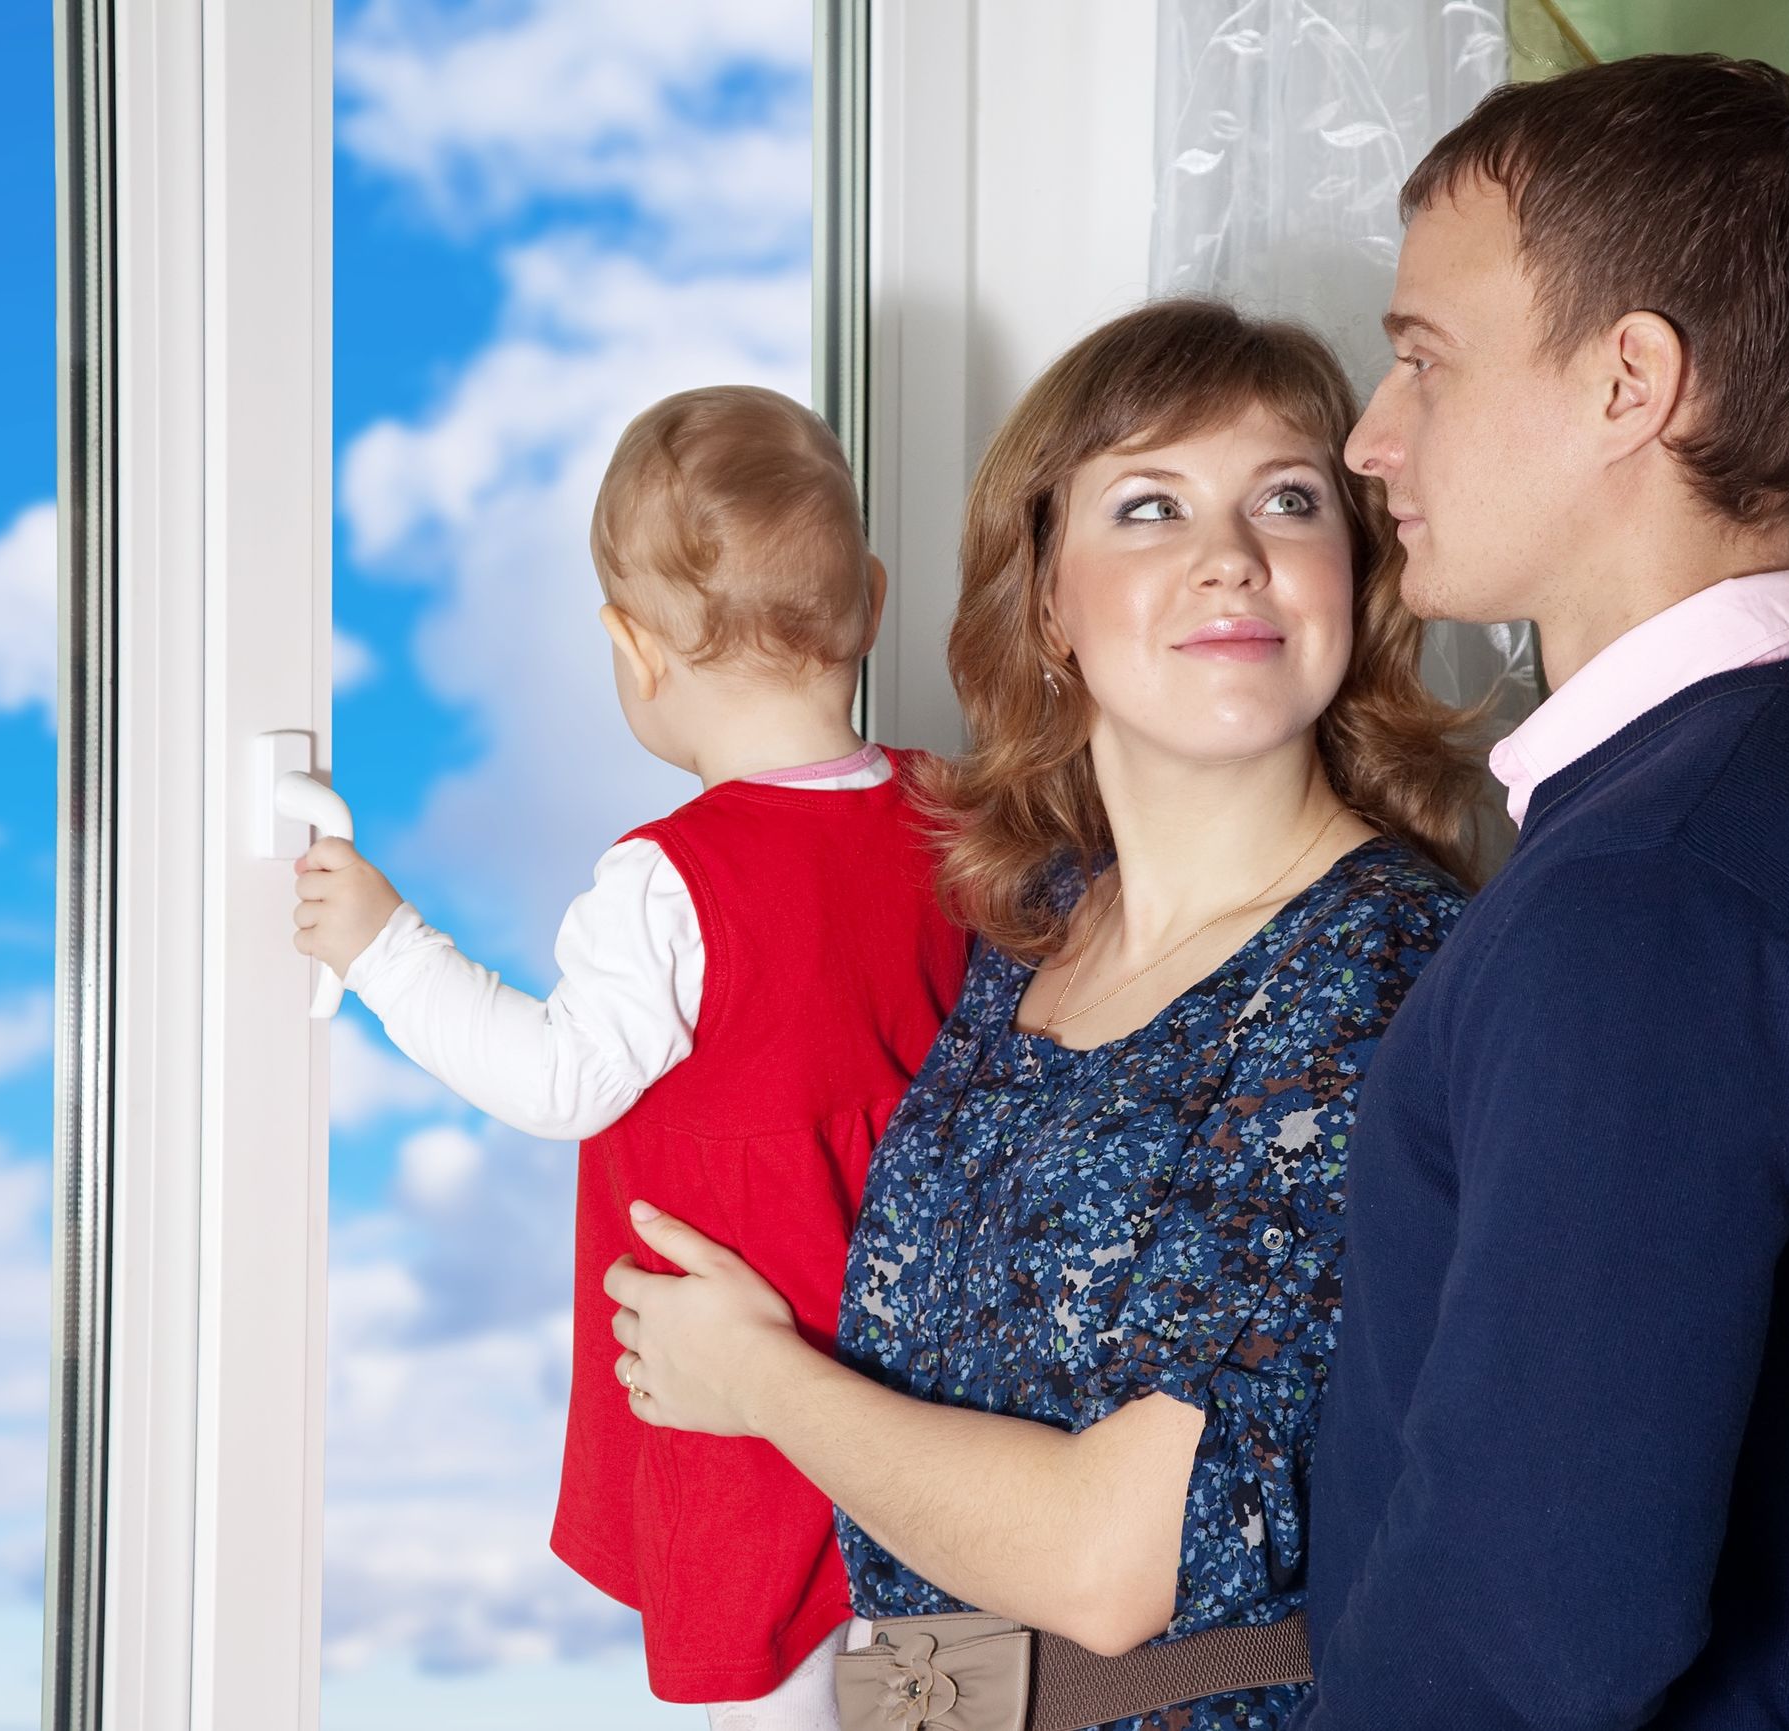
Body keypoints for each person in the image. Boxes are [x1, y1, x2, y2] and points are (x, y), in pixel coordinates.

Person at [601, 300, 1487, 1730]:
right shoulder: (1019, 932)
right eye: (1151, 505)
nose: (1231, 557)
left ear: (1353, 569)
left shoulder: (1391, 972)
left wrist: (756, 1381)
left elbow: (1114, 1559)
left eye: (1288, 498)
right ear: (1050, 600)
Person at [1300, 56, 1789, 1729]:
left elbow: (1527, 1627)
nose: (1372, 435)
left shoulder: (1656, 894)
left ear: (1632, 380)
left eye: (1425, 358)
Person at [289, 386, 970, 1727]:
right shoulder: (949, 812)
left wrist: (382, 947)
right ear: (872, 603)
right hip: (916, 1395)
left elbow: (557, 1080)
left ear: (632, 650)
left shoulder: (668, 883)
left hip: (744, 1400)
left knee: (764, 1696)